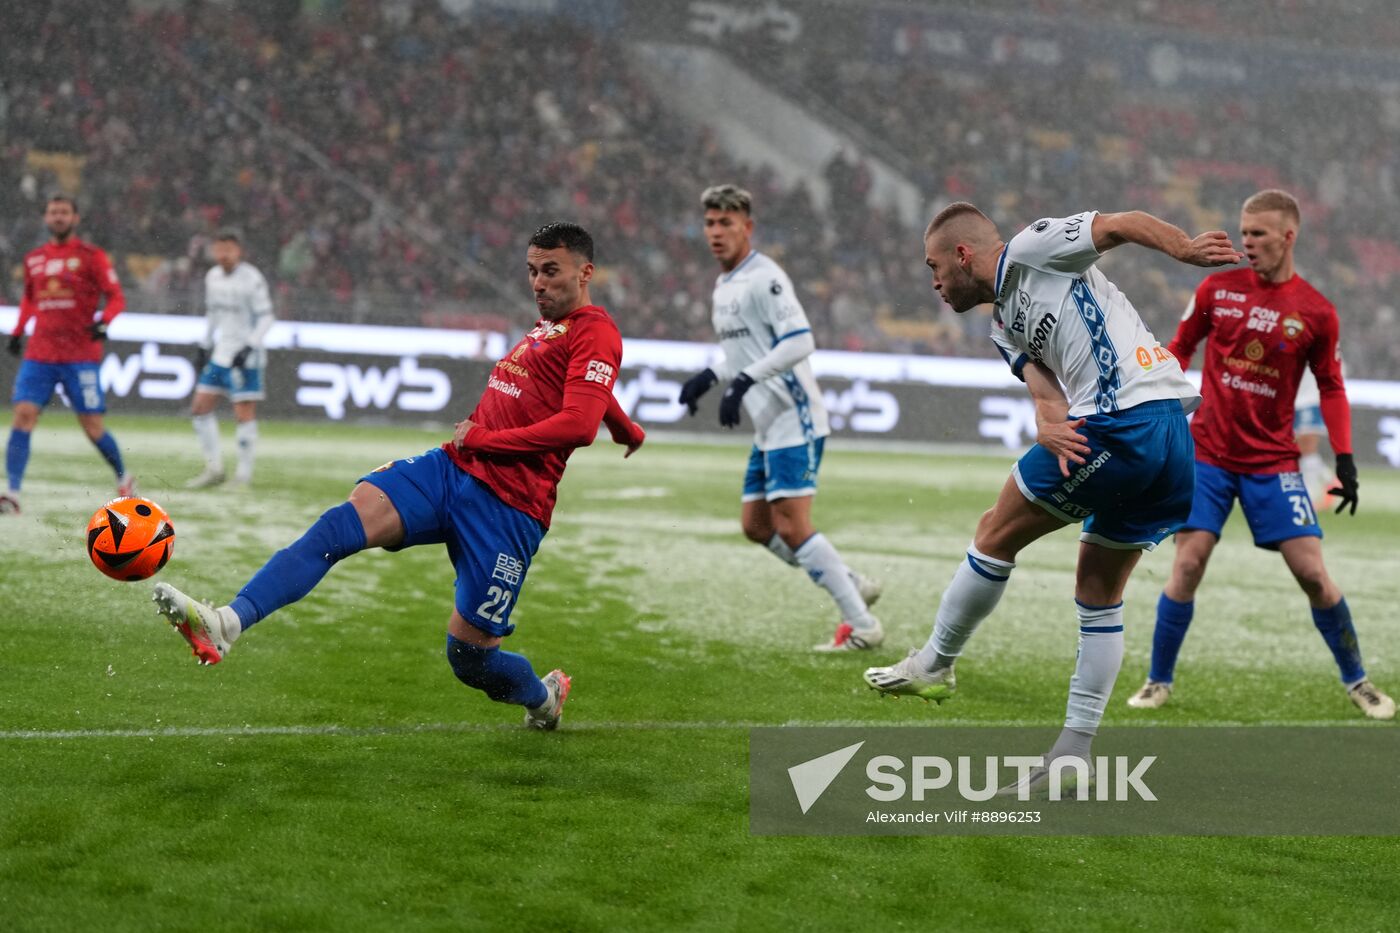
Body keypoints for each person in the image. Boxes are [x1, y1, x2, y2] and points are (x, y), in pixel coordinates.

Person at [152, 223, 646, 730]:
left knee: (470, 658)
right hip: (452, 469)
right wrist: (627, 427)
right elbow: (585, 390)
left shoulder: (595, 330)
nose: (538, 283)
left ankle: (543, 699)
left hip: (510, 508)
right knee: (341, 524)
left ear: (586, 273)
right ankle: (228, 622)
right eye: (532, 271)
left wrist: (484, 439)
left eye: (551, 272)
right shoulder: (553, 326)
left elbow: (578, 424)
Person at [863, 202, 1240, 792]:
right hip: (1168, 437)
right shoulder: (1000, 324)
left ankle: (936, 663)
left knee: (995, 532)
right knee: (1097, 590)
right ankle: (1074, 753)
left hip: (1124, 421)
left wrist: (1184, 248)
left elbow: (1119, 223)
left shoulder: (1033, 247)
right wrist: (1045, 417)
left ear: (964, 255)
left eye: (934, 266)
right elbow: (1043, 389)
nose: (933, 282)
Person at [1126, 190, 1394, 719]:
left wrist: (1344, 459)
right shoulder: (1216, 288)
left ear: (1288, 236)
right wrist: (1155, 402)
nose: (1246, 242)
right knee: (1189, 562)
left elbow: (1333, 388)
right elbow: (1179, 348)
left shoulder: (1316, 311)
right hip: (1206, 454)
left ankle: (1357, 680)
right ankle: (1158, 680)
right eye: (1243, 232)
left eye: (1258, 234)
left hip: (1273, 461)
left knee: (1313, 575)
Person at [677, 184, 882, 652]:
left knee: (792, 526)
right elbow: (741, 353)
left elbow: (799, 342)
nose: (716, 232)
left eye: (726, 223)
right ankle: (850, 581)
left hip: (795, 417)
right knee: (756, 526)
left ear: (747, 228)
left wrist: (746, 381)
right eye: (710, 223)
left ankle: (862, 624)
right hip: (768, 424)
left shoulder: (766, 278)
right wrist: (710, 377)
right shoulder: (723, 285)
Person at [3, 195, 132, 513]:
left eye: (64, 212)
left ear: (75, 218)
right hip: (40, 353)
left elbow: (116, 297)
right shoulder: (34, 259)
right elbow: (30, 301)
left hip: (80, 356)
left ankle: (123, 477)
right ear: (46, 218)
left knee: (92, 425)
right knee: (23, 416)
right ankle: (12, 493)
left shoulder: (91, 257)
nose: (58, 217)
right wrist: (19, 331)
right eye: (53, 212)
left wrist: (104, 323)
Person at [186, 230, 275, 489]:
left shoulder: (252, 278)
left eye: (229, 249)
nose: (224, 254)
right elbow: (213, 313)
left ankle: (243, 476)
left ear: (239, 251)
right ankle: (214, 468)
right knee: (200, 407)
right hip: (221, 352)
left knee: (243, 413)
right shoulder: (212, 277)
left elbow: (268, 317)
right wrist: (205, 344)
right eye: (219, 249)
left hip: (246, 356)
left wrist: (249, 346)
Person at [1293, 366, 1338, 507]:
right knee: (1296, 449)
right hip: (1294, 398)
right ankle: (1329, 479)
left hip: (1311, 398)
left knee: (1306, 448)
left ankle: (1309, 497)